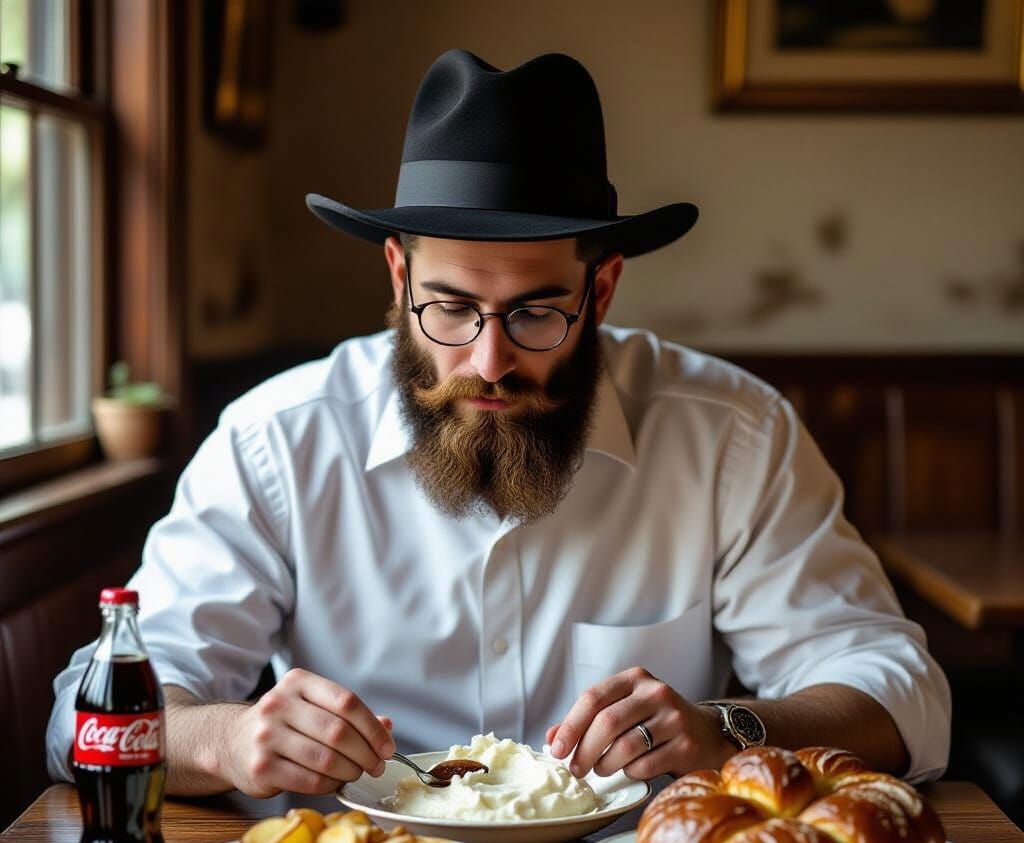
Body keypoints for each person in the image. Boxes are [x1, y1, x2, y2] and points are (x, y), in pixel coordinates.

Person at [46, 50, 950, 798]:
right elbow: (80, 722)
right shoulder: (275, 442)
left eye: (535, 313)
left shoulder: (732, 435)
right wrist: (224, 736)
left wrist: (730, 727)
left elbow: (904, 697)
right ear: (398, 278)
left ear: (601, 290)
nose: (488, 361)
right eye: (449, 309)